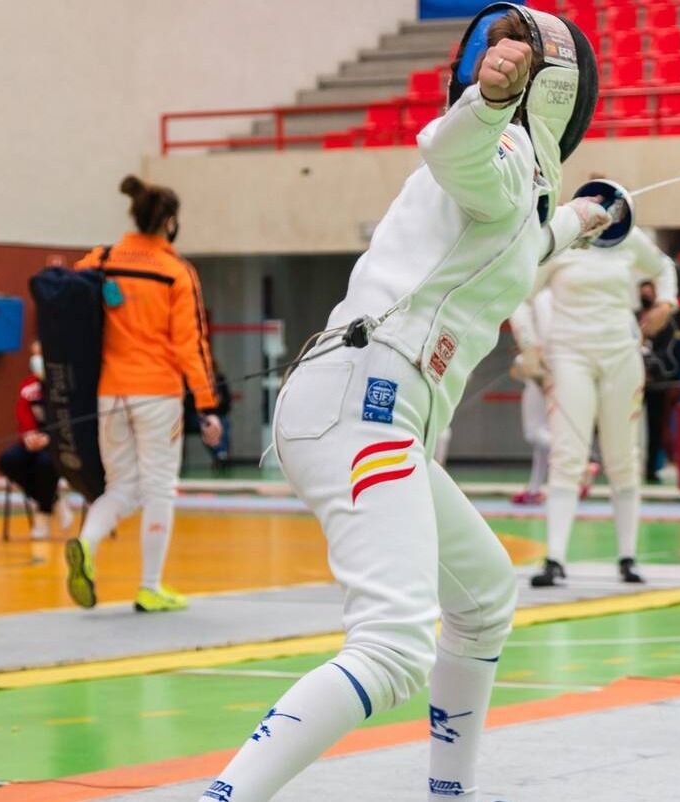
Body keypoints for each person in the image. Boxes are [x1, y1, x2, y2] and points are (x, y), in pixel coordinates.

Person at [201, 7, 607, 801]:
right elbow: (457, 156)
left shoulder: (522, 190)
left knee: (485, 596)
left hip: (375, 407)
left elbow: (518, 232)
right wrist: (487, 106)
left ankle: (448, 794)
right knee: (390, 647)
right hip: (367, 400)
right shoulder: (499, 149)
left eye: (514, 56)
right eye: (494, 53)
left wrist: (586, 220)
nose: (503, 61)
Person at [62, 175, 222, 614]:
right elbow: (190, 346)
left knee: (121, 488)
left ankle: (85, 543)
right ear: (169, 222)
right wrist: (207, 405)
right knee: (158, 490)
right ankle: (150, 587)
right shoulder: (175, 272)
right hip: (158, 395)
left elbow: (68, 302)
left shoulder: (101, 260)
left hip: (109, 393)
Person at [514, 216, 677, 589]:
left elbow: (664, 266)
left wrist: (666, 304)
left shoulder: (630, 238)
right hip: (570, 356)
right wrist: (528, 343)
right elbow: (519, 292)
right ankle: (554, 558)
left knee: (623, 457)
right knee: (567, 456)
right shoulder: (560, 237)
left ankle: (628, 556)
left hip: (621, 355)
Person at [0, 342, 74, 539]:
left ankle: (43, 514)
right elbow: (23, 414)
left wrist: (50, 438)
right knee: (8, 460)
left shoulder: (65, 385)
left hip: (60, 444)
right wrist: (29, 435)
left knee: (46, 463)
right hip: (32, 443)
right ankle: (53, 500)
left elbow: (70, 419)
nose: (36, 360)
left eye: (40, 355)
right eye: (33, 355)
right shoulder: (28, 385)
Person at [510, 287, 554, 505]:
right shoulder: (556, 292)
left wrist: (527, 359)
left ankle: (580, 461)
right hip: (564, 369)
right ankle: (535, 488)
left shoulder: (535, 293)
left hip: (540, 370)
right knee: (543, 436)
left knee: (534, 433)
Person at [640, 279, 680, 483]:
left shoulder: (668, 323)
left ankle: (652, 468)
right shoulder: (633, 318)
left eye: (649, 293)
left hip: (657, 385)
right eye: (643, 293)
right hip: (633, 382)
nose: (646, 297)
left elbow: (673, 353)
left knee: (657, 427)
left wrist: (654, 368)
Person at [184, 358, 234, 474]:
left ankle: (221, 455)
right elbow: (188, 403)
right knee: (206, 425)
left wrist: (218, 404)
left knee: (224, 424)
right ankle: (219, 454)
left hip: (218, 414)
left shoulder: (220, 379)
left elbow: (227, 402)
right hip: (196, 416)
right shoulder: (191, 380)